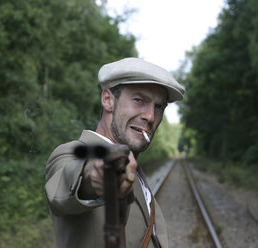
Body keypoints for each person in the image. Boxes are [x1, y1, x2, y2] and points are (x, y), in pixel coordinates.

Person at [45, 57, 185, 248]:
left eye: (159, 106)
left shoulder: (134, 167)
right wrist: (96, 174)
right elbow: (73, 180)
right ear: (108, 100)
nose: (150, 116)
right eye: (138, 100)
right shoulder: (71, 154)